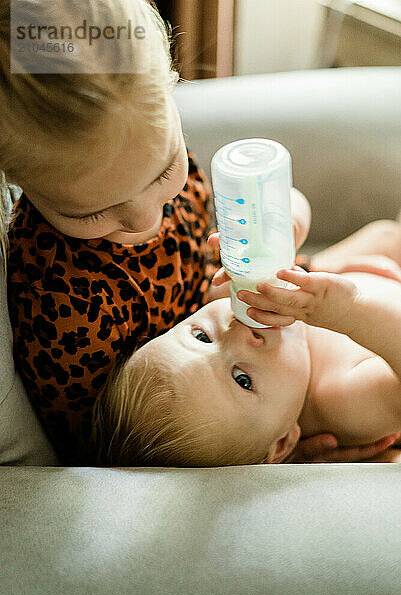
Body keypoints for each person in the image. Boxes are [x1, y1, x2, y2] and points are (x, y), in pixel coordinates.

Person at [0, 0, 395, 466]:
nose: (147, 218)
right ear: (15, 180)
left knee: (385, 234)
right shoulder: (64, 307)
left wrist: (284, 220)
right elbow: (141, 448)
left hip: (293, 305)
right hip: (339, 336)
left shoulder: (132, 141)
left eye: (166, 171)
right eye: (93, 214)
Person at [88, 216, 401, 467]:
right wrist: (351, 310)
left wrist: (278, 225)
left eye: (201, 336)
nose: (237, 333)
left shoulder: (241, 302)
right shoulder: (342, 399)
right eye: (242, 380)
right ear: (282, 443)